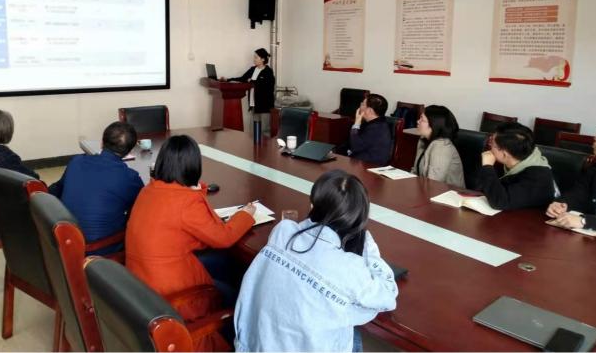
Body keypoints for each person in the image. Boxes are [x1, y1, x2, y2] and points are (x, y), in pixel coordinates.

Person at [234, 170, 398, 352]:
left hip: (253, 346)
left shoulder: (283, 231)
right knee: (353, 337)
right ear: (358, 217)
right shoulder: (349, 267)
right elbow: (387, 296)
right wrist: (368, 247)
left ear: (312, 204)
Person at [125, 135, 255, 351]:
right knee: (239, 294)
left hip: (143, 287)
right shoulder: (186, 202)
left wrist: (194, 191)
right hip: (172, 297)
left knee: (224, 263)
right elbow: (223, 237)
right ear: (193, 166)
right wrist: (246, 214)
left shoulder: (148, 190)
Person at [48, 122, 144, 254]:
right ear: (130, 152)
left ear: (101, 143)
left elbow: (56, 190)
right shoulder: (129, 177)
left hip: (64, 240)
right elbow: (142, 209)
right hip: (97, 248)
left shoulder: (76, 162)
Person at [477, 122, 556, 210]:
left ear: (504, 153)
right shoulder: (516, 158)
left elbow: (500, 202)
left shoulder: (538, 177)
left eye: (492, 143)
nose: (489, 145)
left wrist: (488, 167)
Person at [413, 105, 465, 187]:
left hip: (447, 193)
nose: (418, 121)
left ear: (434, 124)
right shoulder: (423, 140)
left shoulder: (442, 146)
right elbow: (415, 172)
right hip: (424, 189)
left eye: (422, 119)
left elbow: (433, 184)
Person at [227, 48, 276, 136]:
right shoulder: (253, 69)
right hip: (254, 104)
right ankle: (255, 145)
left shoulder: (268, 71)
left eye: (256, 57)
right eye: (254, 57)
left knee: (264, 130)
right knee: (255, 130)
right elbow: (242, 79)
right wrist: (228, 79)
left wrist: (252, 81)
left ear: (263, 59)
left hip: (265, 105)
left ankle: (266, 145)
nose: (254, 59)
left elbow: (266, 86)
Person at [348, 94, 392, 165]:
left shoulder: (376, 128)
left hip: (368, 166)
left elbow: (355, 146)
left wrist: (356, 124)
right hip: (360, 161)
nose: (360, 106)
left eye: (363, 104)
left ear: (369, 110)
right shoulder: (377, 122)